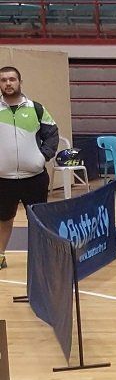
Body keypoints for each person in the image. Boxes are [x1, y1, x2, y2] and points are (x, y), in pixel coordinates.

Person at [0, 65, 59, 270]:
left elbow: (52, 134)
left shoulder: (36, 108)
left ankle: (42, 257)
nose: (8, 83)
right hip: (4, 179)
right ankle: (0, 256)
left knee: (38, 219)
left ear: (20, 82)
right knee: (4, 219)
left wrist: (42, 157)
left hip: (34, 177)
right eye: (3, 80)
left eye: (12, 79)